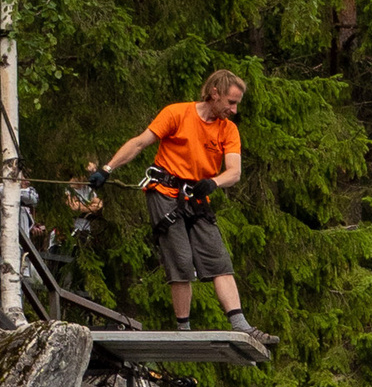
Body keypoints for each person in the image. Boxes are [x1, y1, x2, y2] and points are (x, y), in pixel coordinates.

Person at [84, 68, 265, 345]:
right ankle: (184, 329)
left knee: (218, 258)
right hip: (164, 193)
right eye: (231, 102)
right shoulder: (177, 114)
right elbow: (140, 143)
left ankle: (241, 324)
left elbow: (234, 172)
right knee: (180, 260)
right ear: (214, 93)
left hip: (197, 196)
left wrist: (213, 183)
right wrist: (107, 169)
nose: (234, 109)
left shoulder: (228, 129)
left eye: (237, 103)